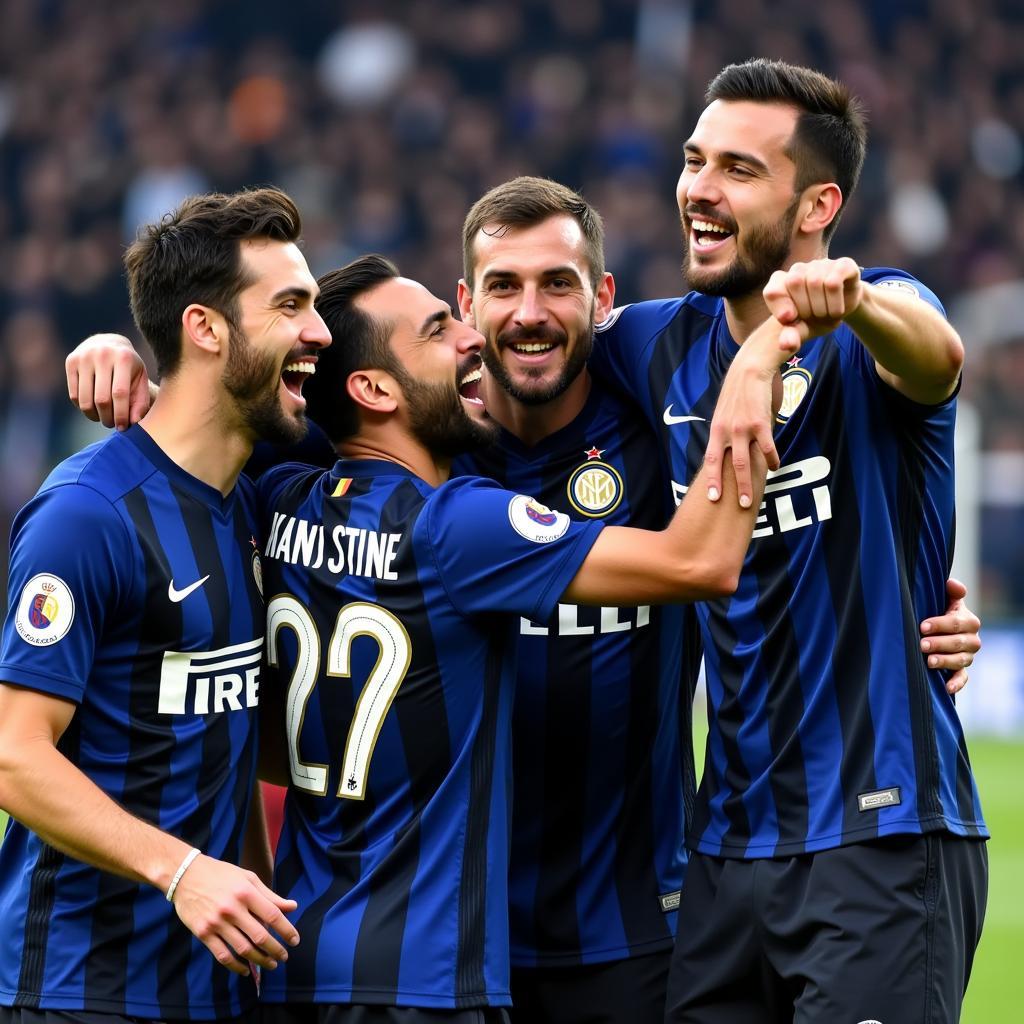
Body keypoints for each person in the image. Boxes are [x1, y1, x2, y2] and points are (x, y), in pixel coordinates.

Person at [66, 175, 982, 1023]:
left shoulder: (656, 424)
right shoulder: (409, 464)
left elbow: (807, 519)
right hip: (460, 945)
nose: (528, 314)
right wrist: (126, 359)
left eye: (558, 285)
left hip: (630, 934)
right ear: (466, 308)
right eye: (501, 287)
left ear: (605, 300)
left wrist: (910, 606)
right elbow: (216, 416)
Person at [254, 253, 774, 1021]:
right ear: (373, 389)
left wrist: (139, 376)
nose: (471, 340)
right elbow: (701, 559)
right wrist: (749, 382)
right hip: (421, 977)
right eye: (438, 330)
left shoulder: (277, 501)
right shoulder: (455, 522)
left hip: (293, 958)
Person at [591, 58, 987, 1022]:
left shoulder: (879, 316)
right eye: (694, 162)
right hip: (724, 855)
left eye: (737, 169)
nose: (698, 190)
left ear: (818, 203)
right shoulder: (654, 347)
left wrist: (816, 316)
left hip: (879, 838)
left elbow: (938, 362)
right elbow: (513, 360)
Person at [0, 187, 331, 1023]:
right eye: (290, 305)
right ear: (207, 328)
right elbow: (13, 756)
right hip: (77, 991)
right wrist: (184, 872)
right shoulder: (88, 514)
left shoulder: (249, 502)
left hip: (213, 984)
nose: (317, 332)